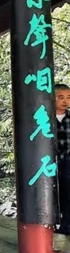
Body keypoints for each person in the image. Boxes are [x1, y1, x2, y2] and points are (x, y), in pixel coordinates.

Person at [55, 83, 70, 233]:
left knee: (68, 192)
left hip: (68, 161)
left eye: (68, 97)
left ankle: (67, 224)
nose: (65, 101)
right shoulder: (45, 118)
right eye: (61, 97)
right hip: (51, 161)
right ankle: (54, 222)